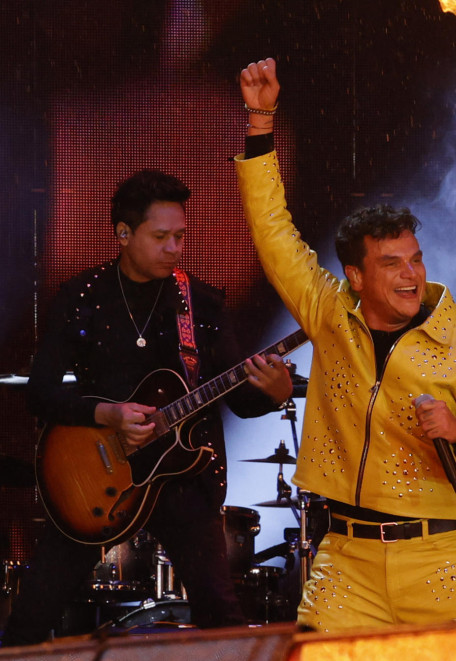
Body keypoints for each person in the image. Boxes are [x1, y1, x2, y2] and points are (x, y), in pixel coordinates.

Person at [234, 58, 456, 632]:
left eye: (415, 260)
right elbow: (272, 231)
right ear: (356, 276)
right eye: (391, 263)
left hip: (442, 560)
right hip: (347, 563)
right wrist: (260, 121)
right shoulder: (330, 314)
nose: (410, 275)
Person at [0, 170, 293, 647]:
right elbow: (41, 394)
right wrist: (107, 415)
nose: (175, 248)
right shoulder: (82, 297)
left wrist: (274, 393)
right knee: (31, 618)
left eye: (181, 236)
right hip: (92, 478)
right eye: (161, 237)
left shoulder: (201, 303)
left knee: (222, 617)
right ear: (123, 233)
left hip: (182, 481)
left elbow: (239, 400)